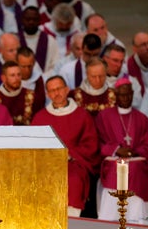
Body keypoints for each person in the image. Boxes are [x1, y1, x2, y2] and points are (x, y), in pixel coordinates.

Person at [31, 75, 99, 217]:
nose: (56, 93)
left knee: (73, 180)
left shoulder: (82, 115)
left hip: (74, 163)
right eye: (52, 90)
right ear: (47, 94)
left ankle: (71, 222)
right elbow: (33, 147)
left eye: (59, 88)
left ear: (67, 89)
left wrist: (69, 154)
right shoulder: (40, 117)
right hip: (47, 165)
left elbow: (90, 144)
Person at [95, 78, 148, 224]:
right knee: (117, 169)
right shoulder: (104, 117)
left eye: (128, 94)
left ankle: (138, 222)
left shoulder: (142, 119)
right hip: (113, 162)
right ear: (116, 95)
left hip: (137, 162)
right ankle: (110, 221)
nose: (126, 98)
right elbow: (98, 142)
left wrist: (134, 152)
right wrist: (116, 149)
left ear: (133, 94)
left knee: (136, 168)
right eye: (122, 95)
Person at [0, 60, 38, 124]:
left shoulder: (32, 96)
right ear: (3, 78)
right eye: (12, 75)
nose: (17, 78)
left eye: (19, 75)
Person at [19, 6, 58, 74]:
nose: (31, 22)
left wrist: (43, 78)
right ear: (22, 20)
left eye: (35, 19)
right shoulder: (15, 40)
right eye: (28, 19)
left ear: (39, 20)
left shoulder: (50, 40)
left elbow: (55, 65)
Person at [17, 46, 45, 112]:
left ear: (34, 63)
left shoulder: (42, 81)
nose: (27, 70)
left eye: (29, 66)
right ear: (17, 63)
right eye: (23, 66)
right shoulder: (10, 81)